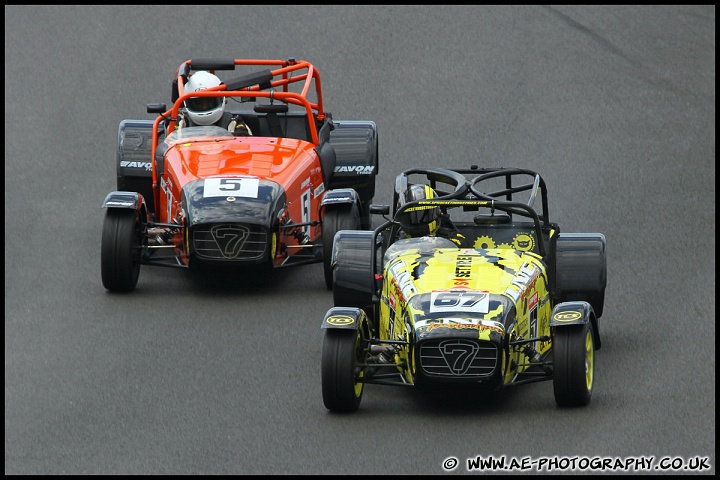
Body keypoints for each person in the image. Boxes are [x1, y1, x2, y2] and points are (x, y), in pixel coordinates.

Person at [397, 184, 472, 248]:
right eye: (411, 216)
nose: (418, 221)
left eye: (423, 215)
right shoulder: (396, 238)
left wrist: (439, 244)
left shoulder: (451, 236)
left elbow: (463, 243)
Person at [179, 70, 252, 136]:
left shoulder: (234, 122)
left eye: (209, 102)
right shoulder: (182, 122)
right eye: (199, 104)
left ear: (221, 99)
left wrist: (222, 137)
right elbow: (170, 141)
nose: (204, 107)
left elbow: (246, 140)